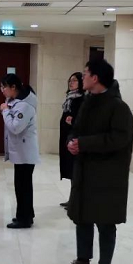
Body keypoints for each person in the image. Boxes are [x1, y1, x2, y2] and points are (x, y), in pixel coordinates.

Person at [55, 59, 133, 264]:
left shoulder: (119, 107)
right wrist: (72, 141)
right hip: (85, 171)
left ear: (96, 78)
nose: (82, 77)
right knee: (82, 216)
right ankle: (82, 262)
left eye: (85, 73)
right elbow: (76, 129)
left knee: (106, 222)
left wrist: (84, 144)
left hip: (108, 175)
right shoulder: (88, 102)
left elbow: (119, 139)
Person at [0, 74, 39, 229]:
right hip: (21, 152)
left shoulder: (25, 106)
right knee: (22, 186)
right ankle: (25, 215)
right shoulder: (15, 102)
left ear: (13, 87)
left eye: (4, 87)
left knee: (23, 187)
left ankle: (24, 218)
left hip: (25, 153)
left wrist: (5, 112)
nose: (2, 90)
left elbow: (15, 127)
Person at [59, 72, 84, 208]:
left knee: (75, 171)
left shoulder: (82, 99)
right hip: (67, 137)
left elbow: (82, 120)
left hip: (75, 139)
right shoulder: (69, 98)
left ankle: (76, 200)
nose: (71, 82)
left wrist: (73, 121)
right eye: (70, 80)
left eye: (74, 80)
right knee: (70, 169)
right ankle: (72, 199)